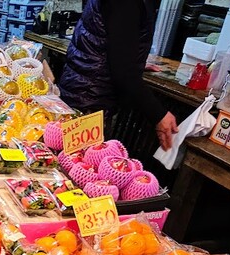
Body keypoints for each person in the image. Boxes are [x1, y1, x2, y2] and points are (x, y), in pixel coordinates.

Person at [58, 0, 179, 151]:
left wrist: (133, 61)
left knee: (73, 162)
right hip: (90, 101)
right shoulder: (126, 3)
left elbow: (109, 42)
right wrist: (159, 115)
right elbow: (124, 73)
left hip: (83, 91)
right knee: (80, 166)